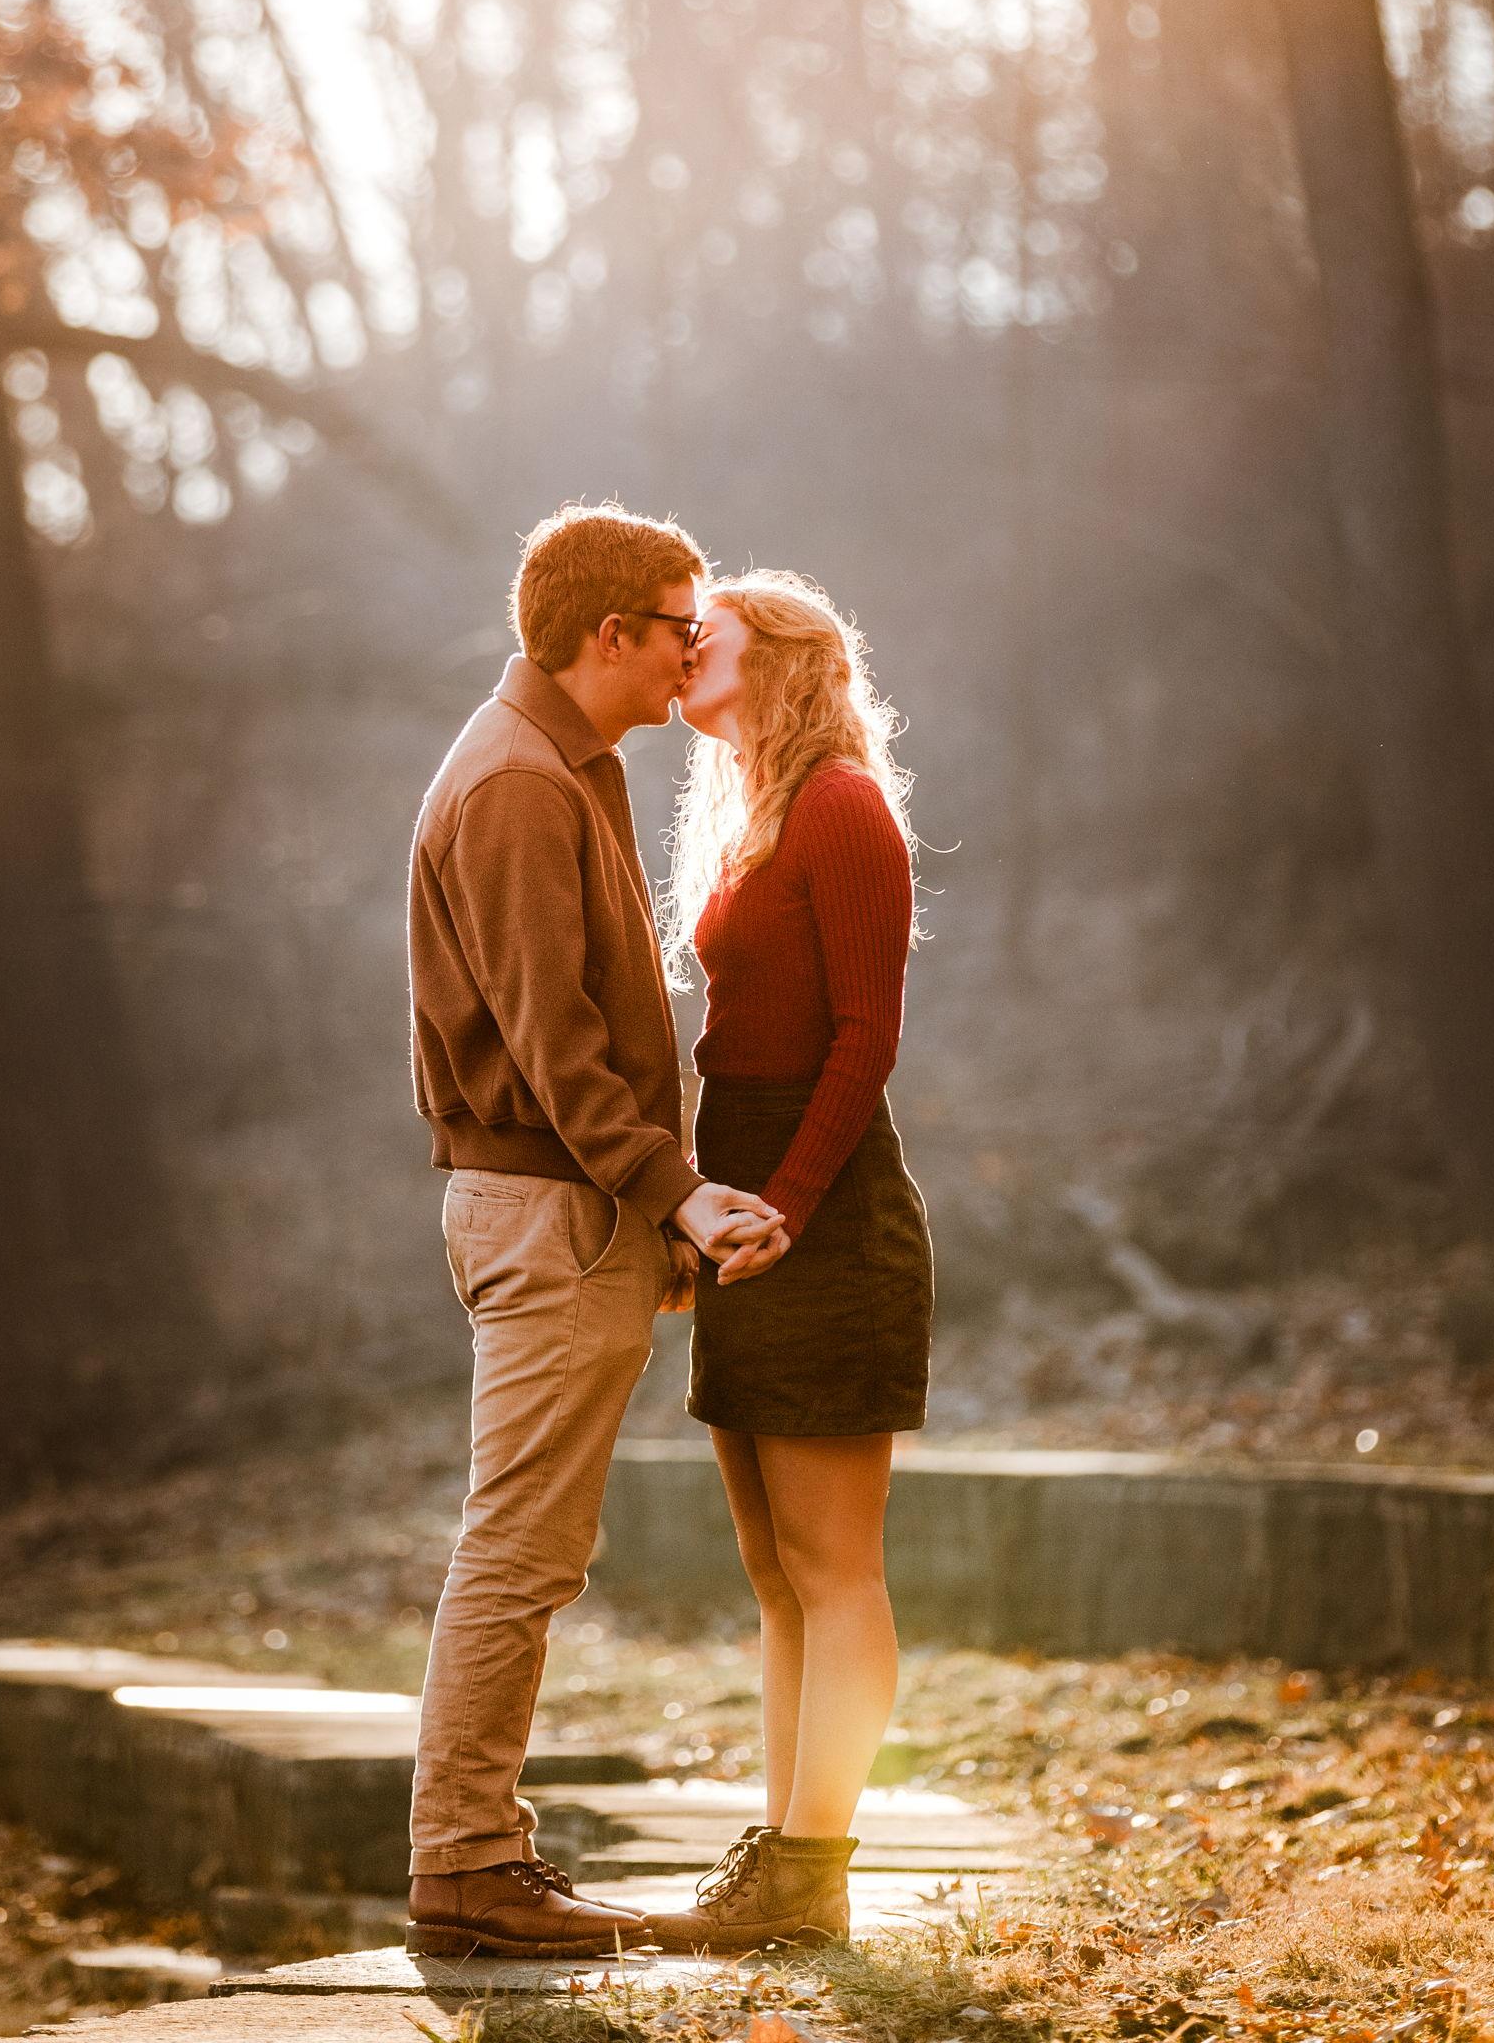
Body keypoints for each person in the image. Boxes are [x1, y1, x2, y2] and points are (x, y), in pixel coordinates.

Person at [404, 503, 786, 1959]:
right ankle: (467, 1873)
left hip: (575, 1205)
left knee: (531, 1547)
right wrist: (671, 1188)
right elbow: (551, 1042)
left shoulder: (571, 766)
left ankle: (481, 1857)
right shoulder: (515, 784)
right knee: (519, 1550)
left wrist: (654, 1198)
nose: (696, 656)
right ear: (606, 634)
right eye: (681, 629)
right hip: (549, 1206)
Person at [644, 570, 933, 1954]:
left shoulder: (841, 806)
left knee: (835, 1567)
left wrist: (788, 1209)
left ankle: (816, 1867)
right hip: (745, 1210)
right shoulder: (753, 813)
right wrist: (703, 1205)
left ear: (783, 662)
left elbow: (865, 1037)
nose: (685, 653)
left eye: (709, 637)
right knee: (772, 1571)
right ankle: (781, 1862)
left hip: (822, 1218)